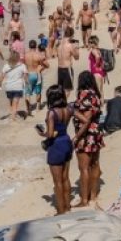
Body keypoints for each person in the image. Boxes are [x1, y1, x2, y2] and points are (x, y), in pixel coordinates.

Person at [72, 70, 104, 207]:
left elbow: (86, 119)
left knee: (83, 167)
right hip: (96, 132)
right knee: (95, 164)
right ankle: (93, 195)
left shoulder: (84, 94)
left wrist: (76, 137)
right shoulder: (96, 95)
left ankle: (84, 200)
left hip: (86, 135)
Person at [42, 83, 74, 215]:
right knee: (66, 177)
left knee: (58, 181)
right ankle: (67, 206)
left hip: (56, 145)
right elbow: (85, 119)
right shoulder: (69, 109)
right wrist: (77, 136)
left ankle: (61, 211)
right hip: (66, 141)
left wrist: (42, 133)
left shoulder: (51, 112)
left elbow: (50, 134)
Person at [0, 51, 28, 122]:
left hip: (9, 87)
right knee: (15, 104)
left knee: (11, 103)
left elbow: (1, 78)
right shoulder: (22, 66)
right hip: (18, 87)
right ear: (18, 57)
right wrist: (27, 84)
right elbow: (26, 77)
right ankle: (13, 119)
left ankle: (12, 115)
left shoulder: (6, 66)